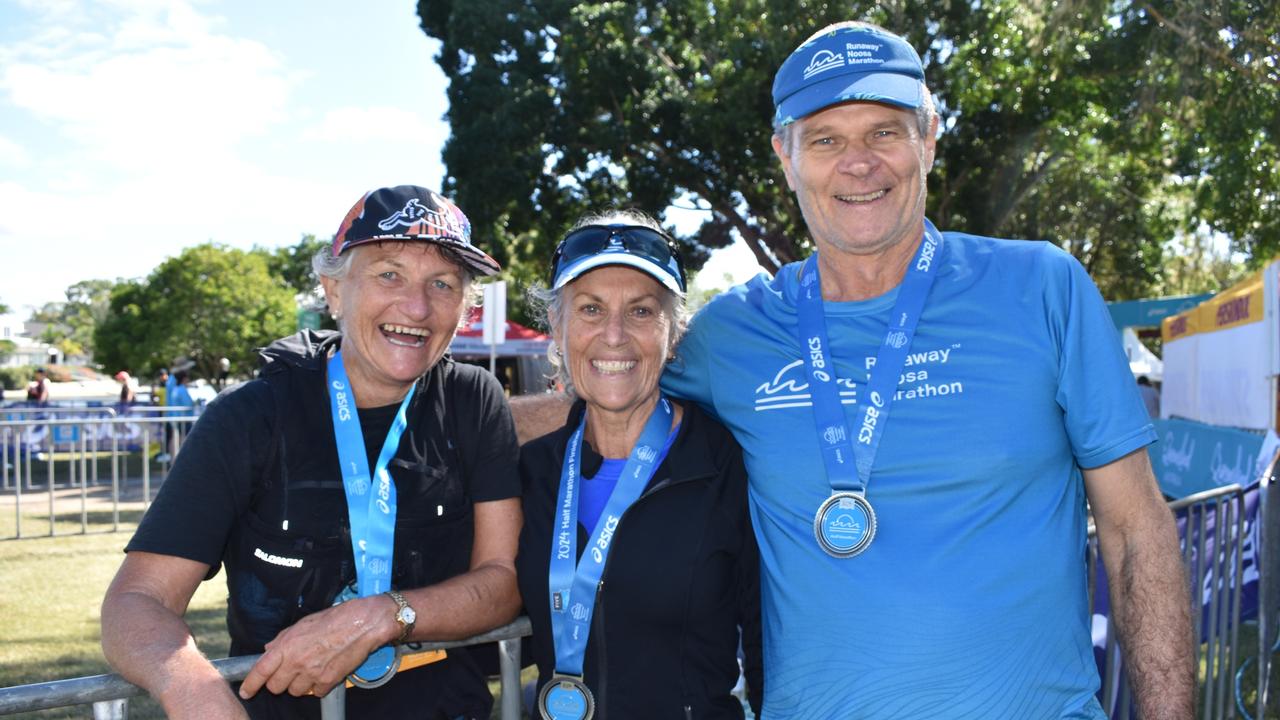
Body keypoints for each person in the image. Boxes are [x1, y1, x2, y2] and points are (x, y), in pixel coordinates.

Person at [514, 21, 1194, 719]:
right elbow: (614, 391)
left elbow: (1135, 528)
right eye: (827, 138)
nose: (858, 163)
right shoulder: (736, 333)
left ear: (929, 136)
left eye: (885, 132)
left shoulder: (1043, 288)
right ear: (786, 154)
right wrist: (448, 419)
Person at [101, 185, 522, 720]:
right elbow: (137, 601)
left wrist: (384, 615)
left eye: (442, 284)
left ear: (463, 309)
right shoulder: (249, 417)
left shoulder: (474, 400)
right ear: (334, 291)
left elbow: (501, 581)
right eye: (389, 274)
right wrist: (194, 688)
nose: (416, 307)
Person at [516, 212, 762, 719]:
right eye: (590, 309)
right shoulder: (531, 474)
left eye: (642, 312)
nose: (613, 335)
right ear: (557, 329)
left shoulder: (728, 467)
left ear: (673, 334)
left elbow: (767, 648)